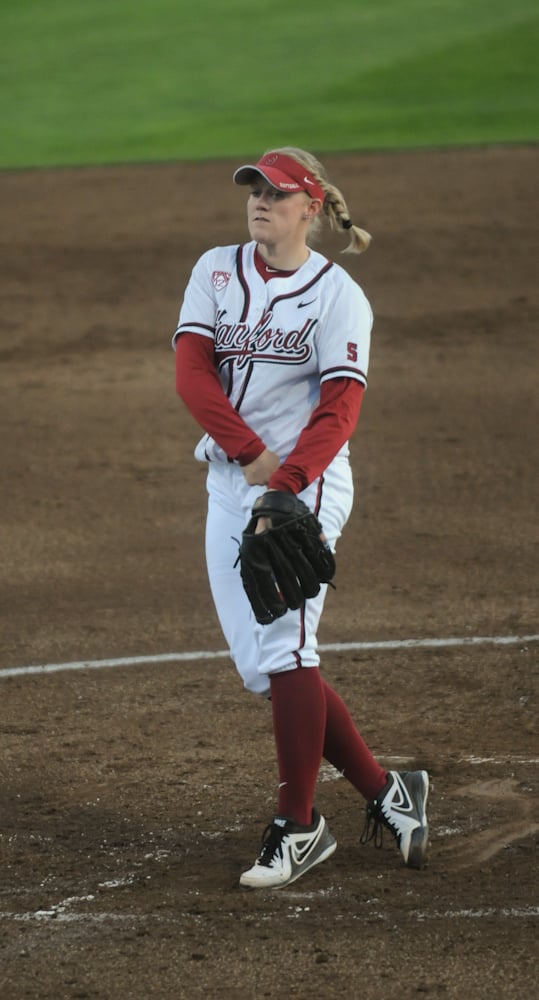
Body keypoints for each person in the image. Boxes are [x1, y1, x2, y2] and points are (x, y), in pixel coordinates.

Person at [172, 147, 429, 889]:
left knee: (286, 648)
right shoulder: (215, 269)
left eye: (276, 193)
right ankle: (387, 793)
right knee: (265, 668)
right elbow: (191, 372)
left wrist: (282, 483)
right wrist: (248, 456)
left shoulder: (338, 295)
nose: (259, 201)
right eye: (253, 189)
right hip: (233, 481)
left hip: (303, 488)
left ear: (309, 208)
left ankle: (299, 825)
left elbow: (339, 407)